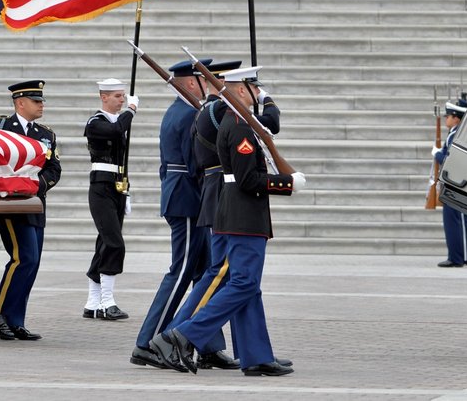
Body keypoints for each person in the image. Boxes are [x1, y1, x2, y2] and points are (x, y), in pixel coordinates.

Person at [150, 66, 304, 377]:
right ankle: (183, 334)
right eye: (254, 89)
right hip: (243, 215)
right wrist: (287, 183)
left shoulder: (235, 122)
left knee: (249, 287)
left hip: (235, 212)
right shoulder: (240, 127)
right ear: (242, 90)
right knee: (243, 283)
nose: (257, 95)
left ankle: (256, 355)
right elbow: (248, 179)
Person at [133, 60, 215, 366]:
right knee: (181, 272)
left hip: (181, 195)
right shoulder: (191, 113)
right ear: (192, 83)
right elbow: (195, 165)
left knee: (205, 272)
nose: (209, 83)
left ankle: (206, 344)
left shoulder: (176, 110)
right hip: (188, 200)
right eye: (204, 78)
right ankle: (147, 341)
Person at [0, 80, 61, 341]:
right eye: (36, 101)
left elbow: (53, 169)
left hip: (34, 203)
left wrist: (36, 184)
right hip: (10, 204)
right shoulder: (0, 127)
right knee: (24, 258)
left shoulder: (46, 133)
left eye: (41, 101)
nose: (41, 105)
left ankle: (15, 319)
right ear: (20, 103)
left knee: (32, 262)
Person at [83, 78, 138, 320]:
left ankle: (92, 303)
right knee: (114, 242)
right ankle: (108, 302)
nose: (122, 100)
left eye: (123, 95)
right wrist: (132, 111)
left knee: (104, 243)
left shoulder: (117, 121)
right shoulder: (96, 122)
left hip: (117, 186)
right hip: (101, 187)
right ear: (103, 97)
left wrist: (126, 190)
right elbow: (115, 132)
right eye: (117, 96)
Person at [432, 94, 467, 268]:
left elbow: (451, 159)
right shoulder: (456, 133)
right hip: (458, 181)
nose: (446, 120)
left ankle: (456, 257)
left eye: (448, 117)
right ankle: (466, 256)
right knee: (460, 221)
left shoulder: (456, 135)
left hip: (455, 181)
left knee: (454, 221)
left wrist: (437, 154)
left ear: (456, 118)